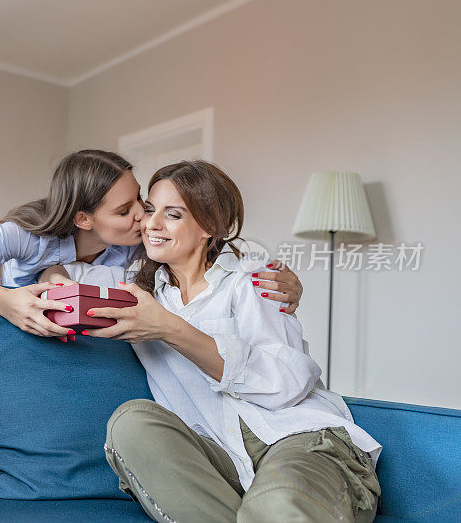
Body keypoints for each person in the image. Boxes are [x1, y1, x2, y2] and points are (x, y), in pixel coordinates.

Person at [40, 160, 381, 522]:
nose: (151, 224)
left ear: (208, 227)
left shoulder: (252, 279)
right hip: (218, 459)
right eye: (151, 210)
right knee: (131, 423)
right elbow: (54, 270)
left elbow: (288, 384)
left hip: (295, 439)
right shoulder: (134, 288)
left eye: (172, 214)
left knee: (275, 508)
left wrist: (169, 328)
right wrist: (54, 279)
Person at [0, 150, 302, 340]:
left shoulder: (141, 247)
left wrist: (283, 282)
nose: (144, 217)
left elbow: (206, 257)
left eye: (141, 201)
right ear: (83, 219)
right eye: (125, 211)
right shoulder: (27, 233)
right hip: (9, 334)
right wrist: (3, 299)